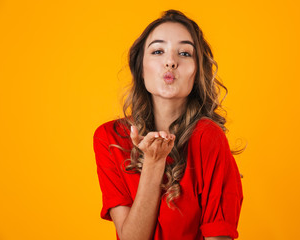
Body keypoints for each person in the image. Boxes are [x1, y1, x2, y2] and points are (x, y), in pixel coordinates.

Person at [93, 9, 245, 240]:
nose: (171, 62)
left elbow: (219, 235)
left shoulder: (208, 137)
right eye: (158, 51)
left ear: (196, 73)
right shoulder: (110, 138)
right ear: (140, 70)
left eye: (184, 53)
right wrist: (154, 163)